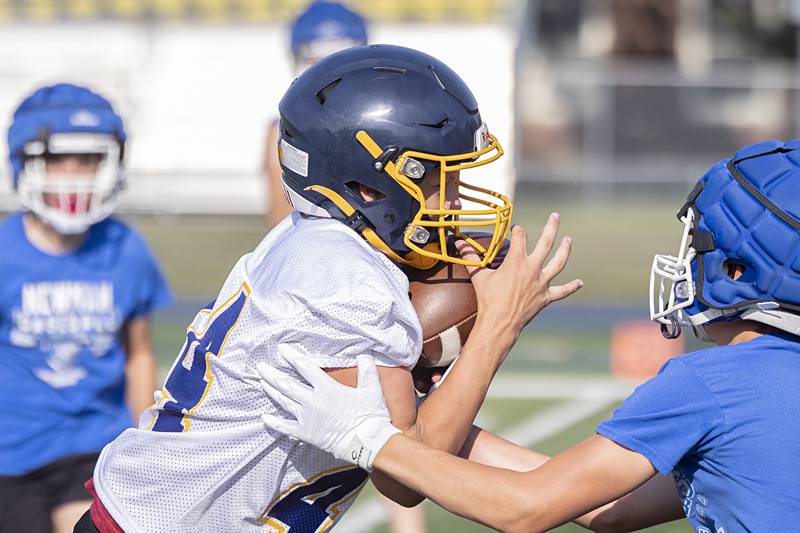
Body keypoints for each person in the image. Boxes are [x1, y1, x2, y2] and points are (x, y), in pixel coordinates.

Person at [79, 45, 582, 532]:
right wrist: (497, 328)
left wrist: (570, 487)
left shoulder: (315, 243)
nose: (453, 204)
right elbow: (404, 472)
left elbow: (391, 434)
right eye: (438, 179)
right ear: (369, 186)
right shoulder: (347, 280)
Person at [259, 140, 800, 532]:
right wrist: (424, 420)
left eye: (699, 247)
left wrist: (368, 438)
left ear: (736, 270)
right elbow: (612, 508)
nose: (685, 263)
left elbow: (528, 507)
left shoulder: (711, 386)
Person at [0, 83, 172, 533]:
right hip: (11, 454)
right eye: (58, 161)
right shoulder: (4, 253)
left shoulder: (125, 249)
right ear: (26, 163)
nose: (74, 175)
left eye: (88, 160)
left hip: (95, 445)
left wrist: (146, 444)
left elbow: (138, 355)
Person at [263, 0, 368, 228]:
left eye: (335, 59)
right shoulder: (284, 130)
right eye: (315, 61)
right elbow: (284, 225)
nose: (326, 73)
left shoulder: (379, 119)